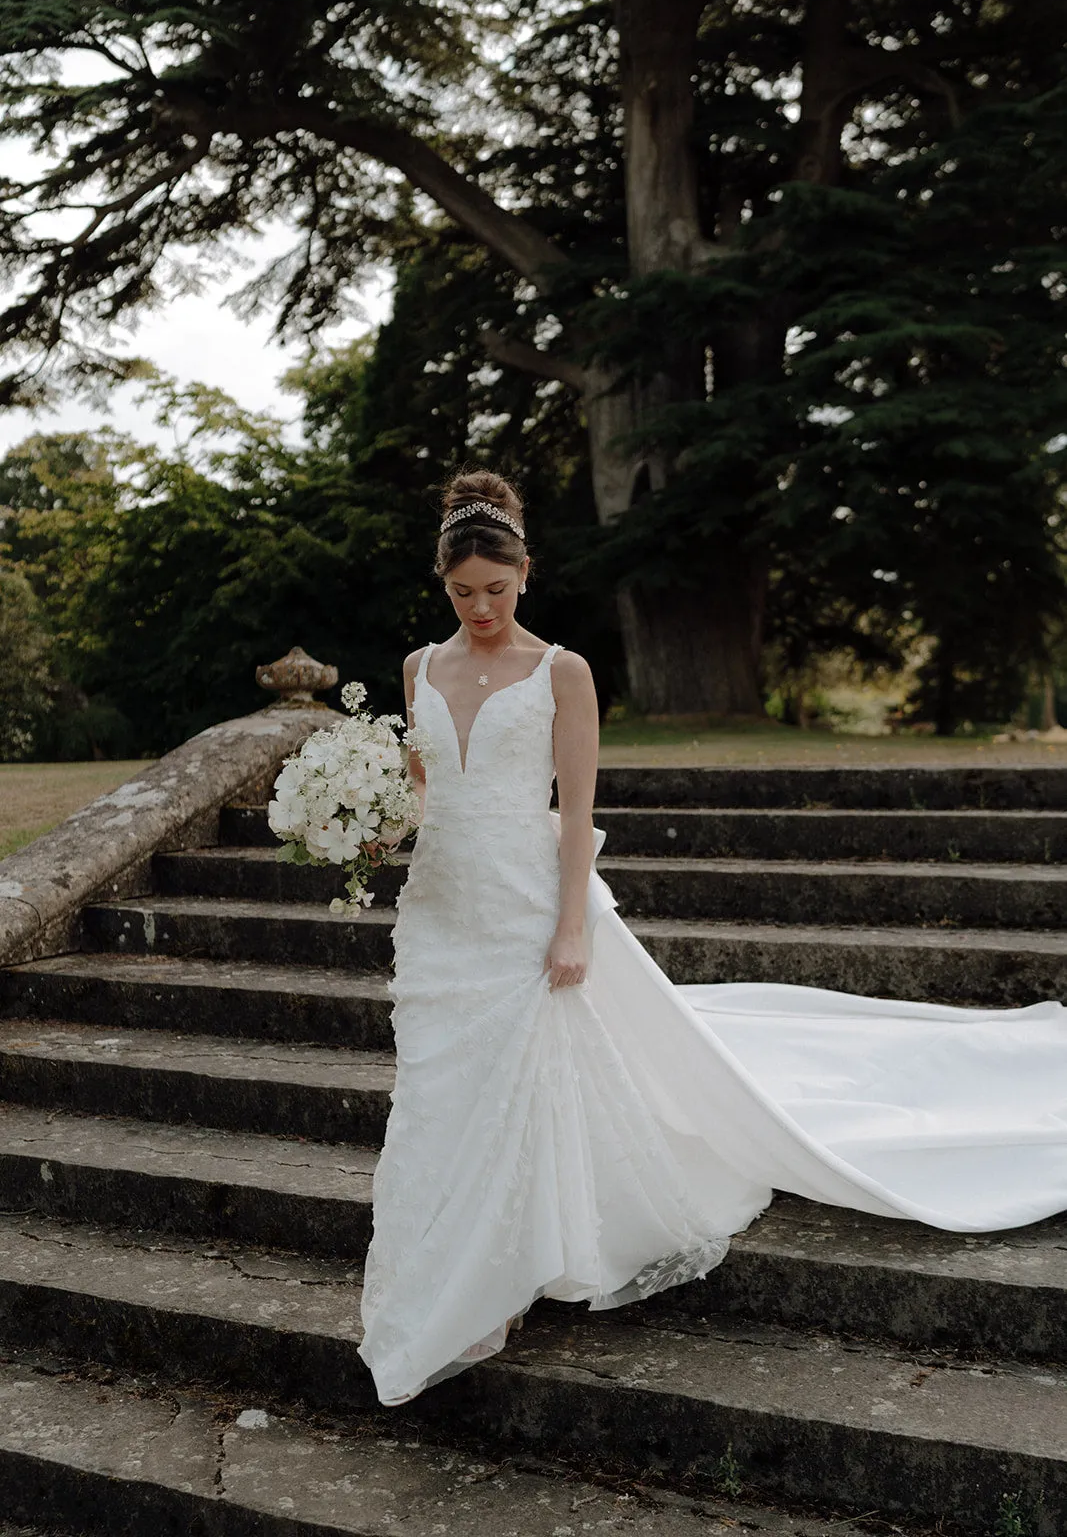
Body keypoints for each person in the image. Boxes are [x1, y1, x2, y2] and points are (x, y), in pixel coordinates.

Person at [356, 469, 1067, 1408]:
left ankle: (502, 1273)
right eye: (462, 593)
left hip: (528, 903)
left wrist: (573, 925)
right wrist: (367, 830)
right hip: (442, 909)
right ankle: (459, 1261)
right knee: (446, 1091)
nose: (480, 607)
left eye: (495, 588)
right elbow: (422, 794)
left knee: (518, 1082)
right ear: (440, 583)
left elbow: (574, 815)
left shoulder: (561, 671)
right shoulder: (419, 668)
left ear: (526, 572)